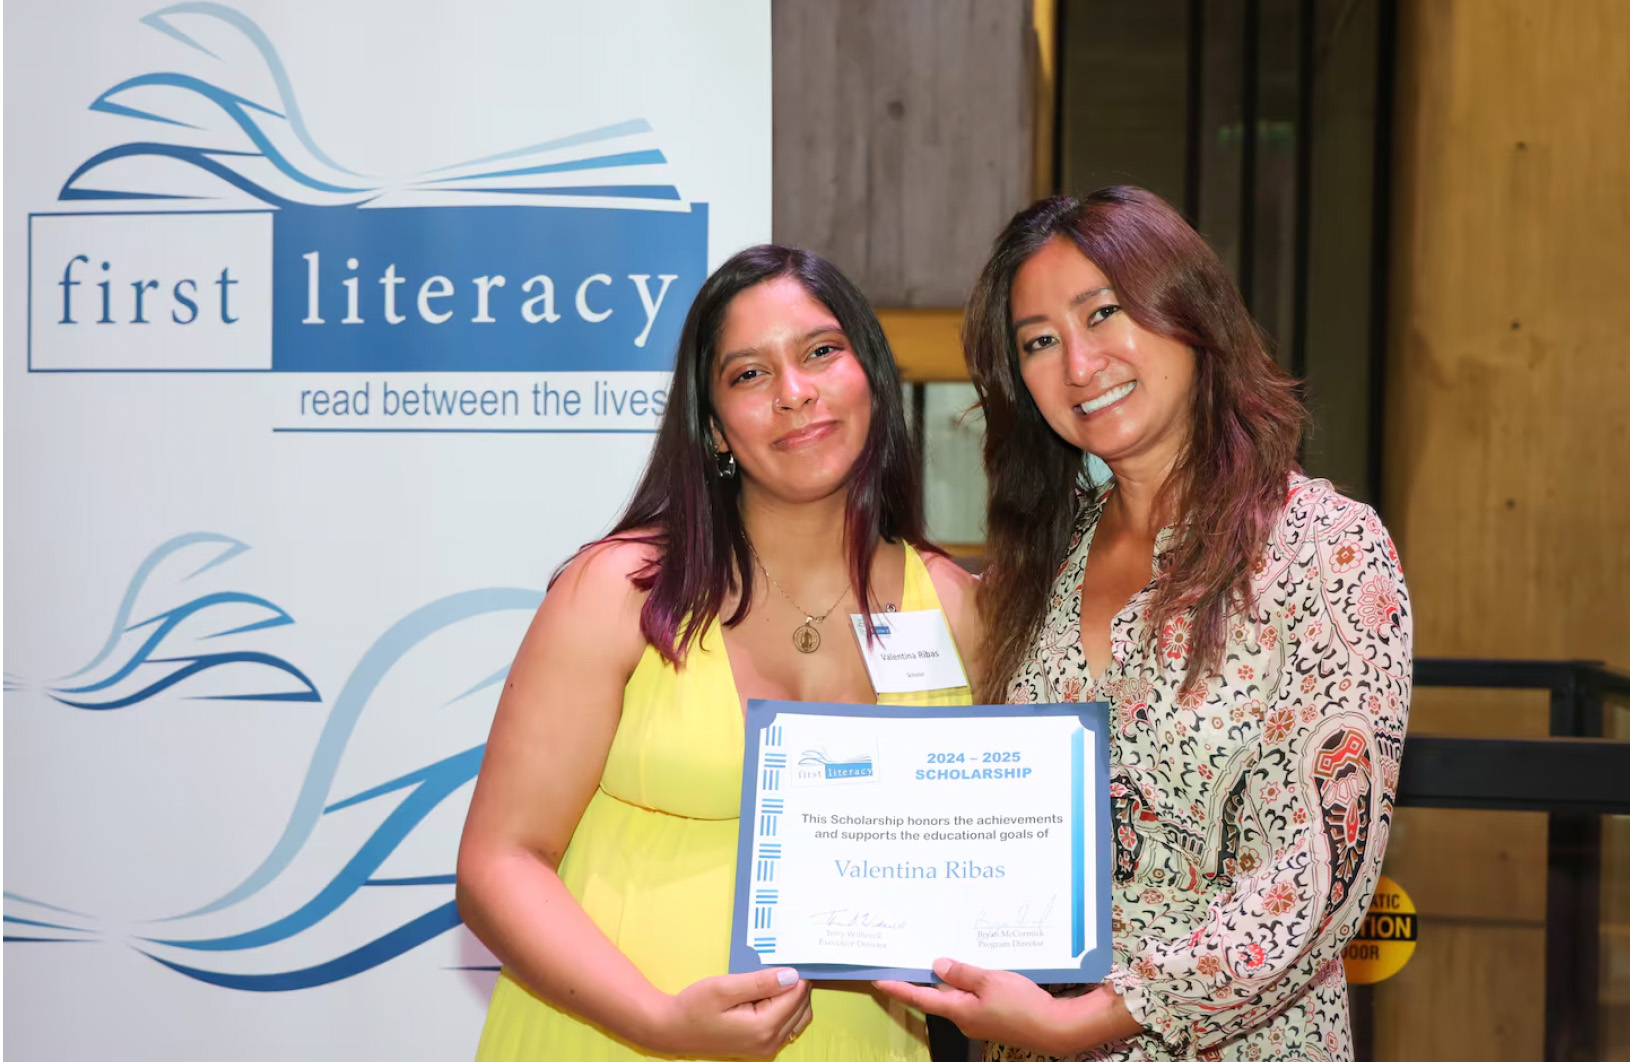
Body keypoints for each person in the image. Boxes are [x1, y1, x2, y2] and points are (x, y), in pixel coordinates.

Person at [876, 188, 1412, 1062]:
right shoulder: (1032, 572)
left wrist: (1084, 1021)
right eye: (1040, 342)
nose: (1079, 363)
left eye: (1104, 314)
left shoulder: (1326, 548)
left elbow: (1321, 871)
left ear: (1190, 315)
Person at [457, 244, 982, 1061]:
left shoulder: (957, 607)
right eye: (748, 375)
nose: (794, 393)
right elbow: (498, 864)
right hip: (614, 1040)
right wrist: (656, 1021)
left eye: (820, 352)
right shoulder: (624, 590)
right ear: (714, 427)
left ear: (871, 376)